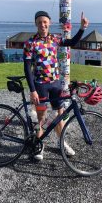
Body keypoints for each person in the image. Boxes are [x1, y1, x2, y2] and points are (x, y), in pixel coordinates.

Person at [23, 10, 89, 160]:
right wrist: (32, 90)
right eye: (39, 22)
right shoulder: (30, 43)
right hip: (40, 86)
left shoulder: (55, 39)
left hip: (55, 84)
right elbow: (27, 68)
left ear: (49, 23)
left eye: (45, 22)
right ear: (35, 24)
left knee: (60, 115)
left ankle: (62, 143)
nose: (42, 25)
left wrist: (82, 28)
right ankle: (39, 146)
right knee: (41, 118)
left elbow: (72, 43)